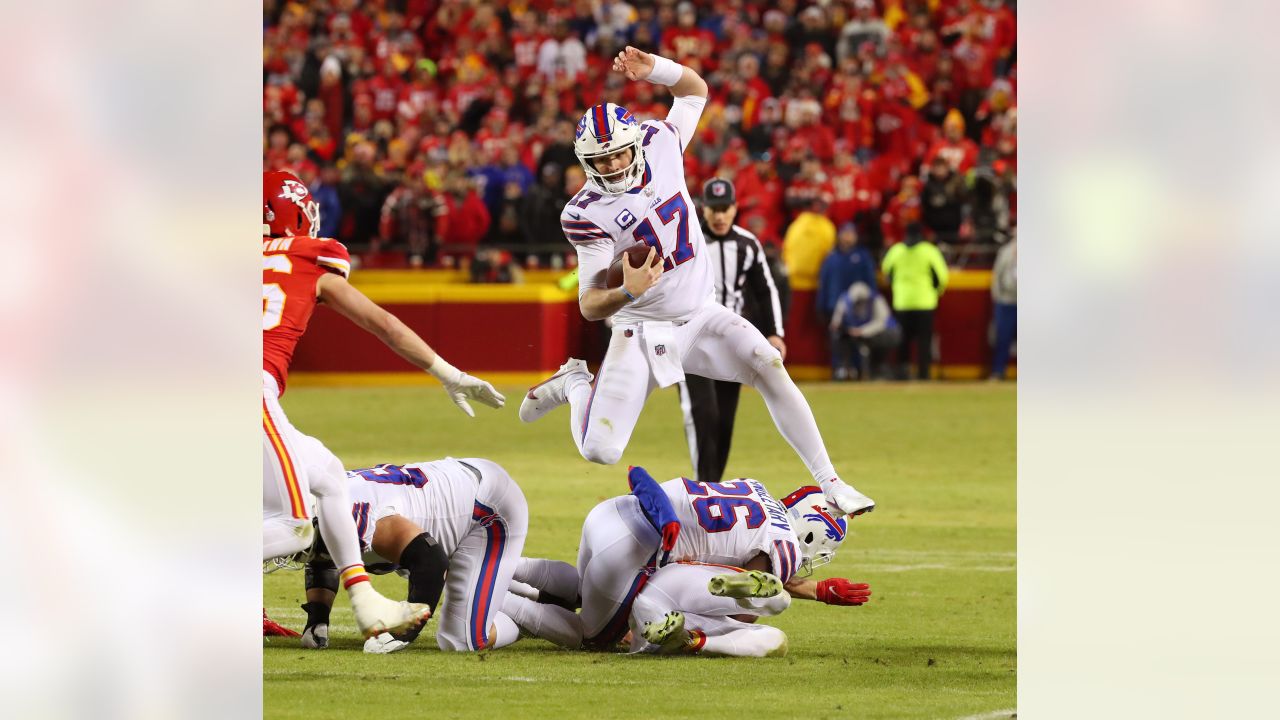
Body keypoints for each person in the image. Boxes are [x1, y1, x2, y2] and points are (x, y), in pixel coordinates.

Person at [517, 46, 875, 520]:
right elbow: (588, 303)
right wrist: (628, 291)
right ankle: (574, 383)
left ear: (634, 143)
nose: (609, 167)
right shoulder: (585, 213)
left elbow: (694, 92)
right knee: (600, 451)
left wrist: (656, 71)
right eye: (598, 160)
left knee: (767, 362)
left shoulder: (659, 141)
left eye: (616, 154)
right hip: (640, 329)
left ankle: (831, 482)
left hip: (701, 313)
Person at [262, 170, 504, 639]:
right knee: (295, 527)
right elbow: (383, 325)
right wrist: (448, 373)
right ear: (297, 212)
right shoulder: (310, 256)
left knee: (330, 478)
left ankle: (366, 600)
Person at [504, 470, 871, 654]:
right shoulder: (786, 548)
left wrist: (817, 591)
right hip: (636, 548)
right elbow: (750, 595)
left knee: (583, 585)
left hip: (614, 510)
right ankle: (493, 595)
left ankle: (500, 565)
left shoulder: (755, 486)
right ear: (812, 535)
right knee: (591, 636)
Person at [297, 454, 528, 653]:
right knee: (477, 585)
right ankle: (540, 591)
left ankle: (534, 619)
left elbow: (431, 563)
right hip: (459, 490)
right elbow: (324, 558)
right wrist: (317, 618)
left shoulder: (363, 519)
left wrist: (402, 631)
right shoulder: (331, 509)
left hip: (486, 509)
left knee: (463, 638)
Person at [677, 177, 786, 484]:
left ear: (736, 208)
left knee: (725, 420)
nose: (720, 216)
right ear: (704, 210)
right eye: (714, 209)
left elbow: (765, 290)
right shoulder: (689, 240)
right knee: (703, 413)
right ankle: (702, 486)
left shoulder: (748, 245)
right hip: (691, 340)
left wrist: (775, 332)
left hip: (730, 342)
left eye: (725, 208)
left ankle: (712, 487)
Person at [881, 223, 949, 380]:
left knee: (902, 341)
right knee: (924, 341)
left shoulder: (896, 250)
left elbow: (886, 273)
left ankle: (902, 374)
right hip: (925, 303)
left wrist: (898, 289)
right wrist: (935, 293)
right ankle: (923, 374)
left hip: (902, 302)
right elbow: (942, 277)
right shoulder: (930, 251)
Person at [830, 282, 902, 381]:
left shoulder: (876, 299)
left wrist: (862, 331)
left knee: (878, 341)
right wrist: (839, 326)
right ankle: (844, 369)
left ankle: (877, 370)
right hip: (858, 333)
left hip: (883, 334)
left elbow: (882, 322)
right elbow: (836, 321)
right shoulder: (846, 300)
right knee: (838, 336)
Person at [817, 223, 877, 322]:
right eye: (846, 233)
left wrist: (872, 300)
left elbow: (871, 280)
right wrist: (821, 304)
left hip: (857, 306)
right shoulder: (831, 258)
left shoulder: (863, 256)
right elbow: (824, 282)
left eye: (851, 233)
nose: (848, 237)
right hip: (834, 305)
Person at [782, 195, 838, 290]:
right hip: (815, 280)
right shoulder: (827, 227)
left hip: (799, 279)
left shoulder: (797, 225)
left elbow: (787, 249)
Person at [989, 236, 1017, 380]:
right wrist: (998, 297)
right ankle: (998, 371)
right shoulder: (1005, 252)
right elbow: (997, 275)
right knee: (1002, 338)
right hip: (1006, 301)